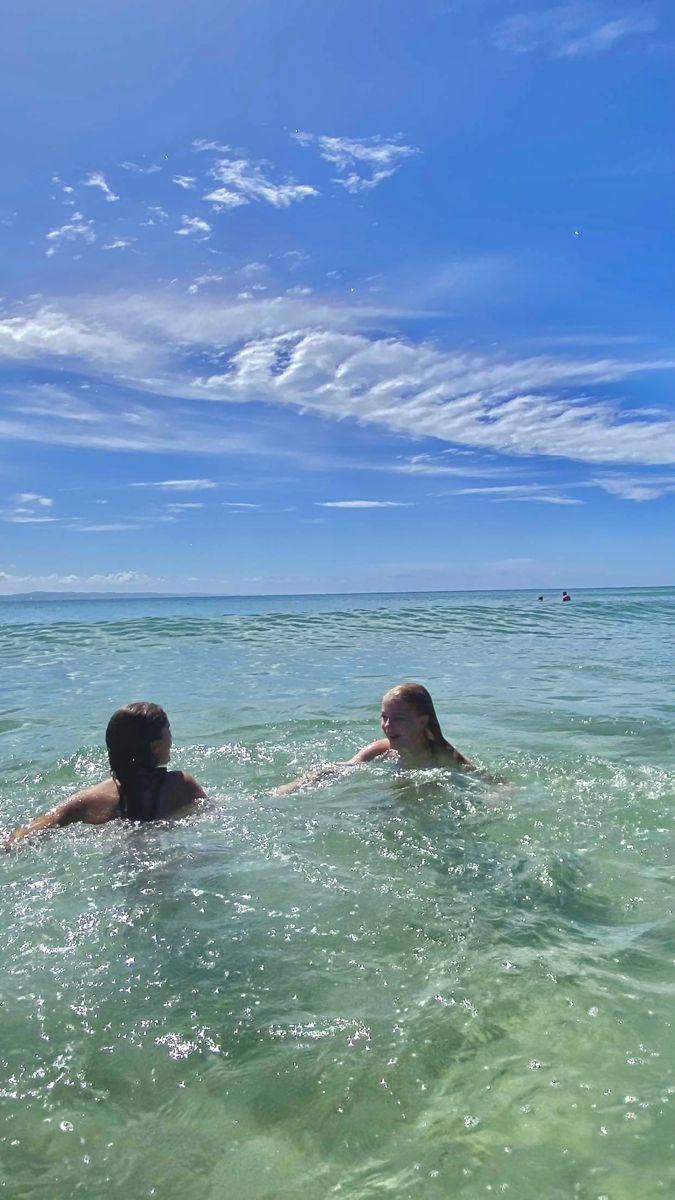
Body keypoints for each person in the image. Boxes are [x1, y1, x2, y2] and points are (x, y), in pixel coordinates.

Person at [6, 702, 207, 848]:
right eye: (168, 730)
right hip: (168, 863)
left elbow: (33, 831)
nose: (171, 737)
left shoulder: (91, 799)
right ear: (154, 746)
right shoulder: (182, 785)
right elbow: (210, 818)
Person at [275, 682, 477, 795]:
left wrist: (494, 798)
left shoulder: (444, 754)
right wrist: (285, 790)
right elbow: (333, 770)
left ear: (422, 722)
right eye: (384, 717)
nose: (387, 726)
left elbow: (494, 782)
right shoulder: (380, 751)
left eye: (397, 719)